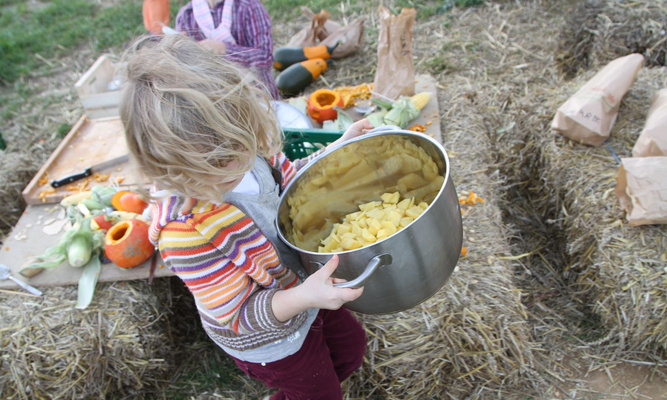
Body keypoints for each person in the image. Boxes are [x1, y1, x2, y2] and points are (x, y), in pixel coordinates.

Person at [118, 34, 374, 400]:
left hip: (306, 288)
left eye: (238, 146)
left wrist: (336, 150)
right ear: (166, 166)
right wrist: (304, 296)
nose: (235, 164)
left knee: (349, 352)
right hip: (271, 337)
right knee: (319, 394)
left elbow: (293, 183)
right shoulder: (186, 233)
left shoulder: (249, 154)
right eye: (213, 165)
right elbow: (239, 314)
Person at [175, 0, 280, 99]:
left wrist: (225, 50)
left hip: (256, 96)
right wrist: (179, 52)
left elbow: (265, 57)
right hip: (215, 99)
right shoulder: (187, 15)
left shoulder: (248, 6)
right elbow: (184, 73)